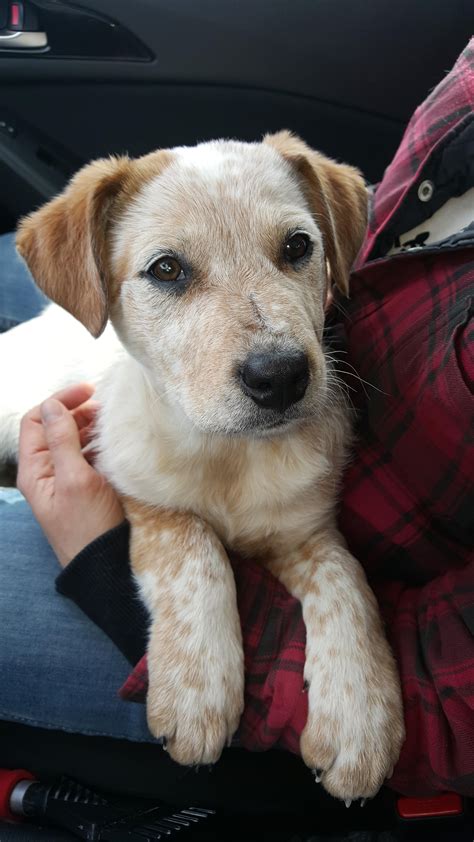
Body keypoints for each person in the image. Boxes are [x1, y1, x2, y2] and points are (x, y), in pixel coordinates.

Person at [0, 40, 473, 801]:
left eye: (293, 250)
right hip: (138, 405)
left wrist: (108, 568)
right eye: (171, 271)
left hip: (349, 563)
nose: (275, 355)